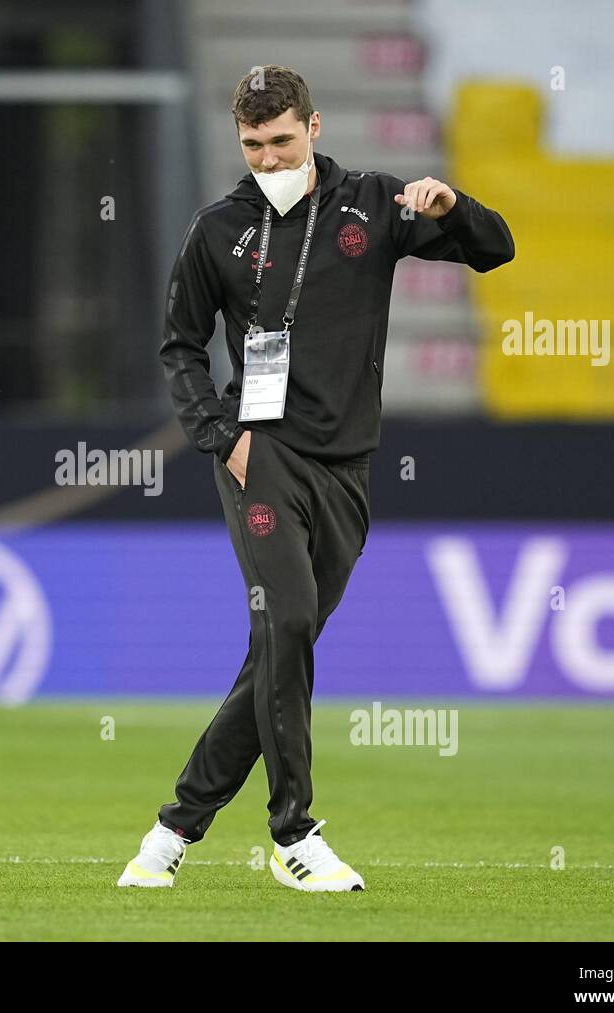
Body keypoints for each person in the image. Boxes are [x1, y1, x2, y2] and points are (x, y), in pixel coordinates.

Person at [117, 65, 514, 892]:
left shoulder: (376, 203)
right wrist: (220, 438)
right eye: (253, 146)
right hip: (259, 453)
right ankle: (293, 832)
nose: (267, 159)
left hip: (348, 464)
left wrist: (454, 209)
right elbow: (179, 344)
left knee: (280, 645)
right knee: (289, 618)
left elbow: (496, 250)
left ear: (315, 127)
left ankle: (173, 829)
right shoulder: (217, 229)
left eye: (282, 141)